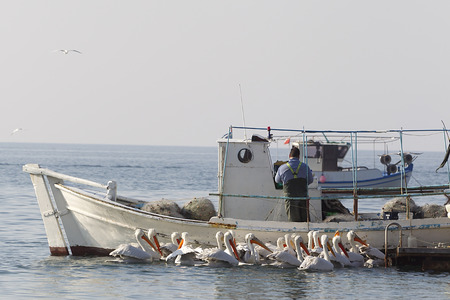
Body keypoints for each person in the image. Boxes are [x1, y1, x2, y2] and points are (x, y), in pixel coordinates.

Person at [275, 146, 314, 222]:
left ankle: (295, 232)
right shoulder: (305, 166)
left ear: (289, 156)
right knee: (305, 220)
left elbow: (277, 180)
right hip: (303, 197)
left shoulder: (282, 168)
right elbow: (310, 180)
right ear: (299, 156)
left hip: (290, 198)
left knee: (293, 220)